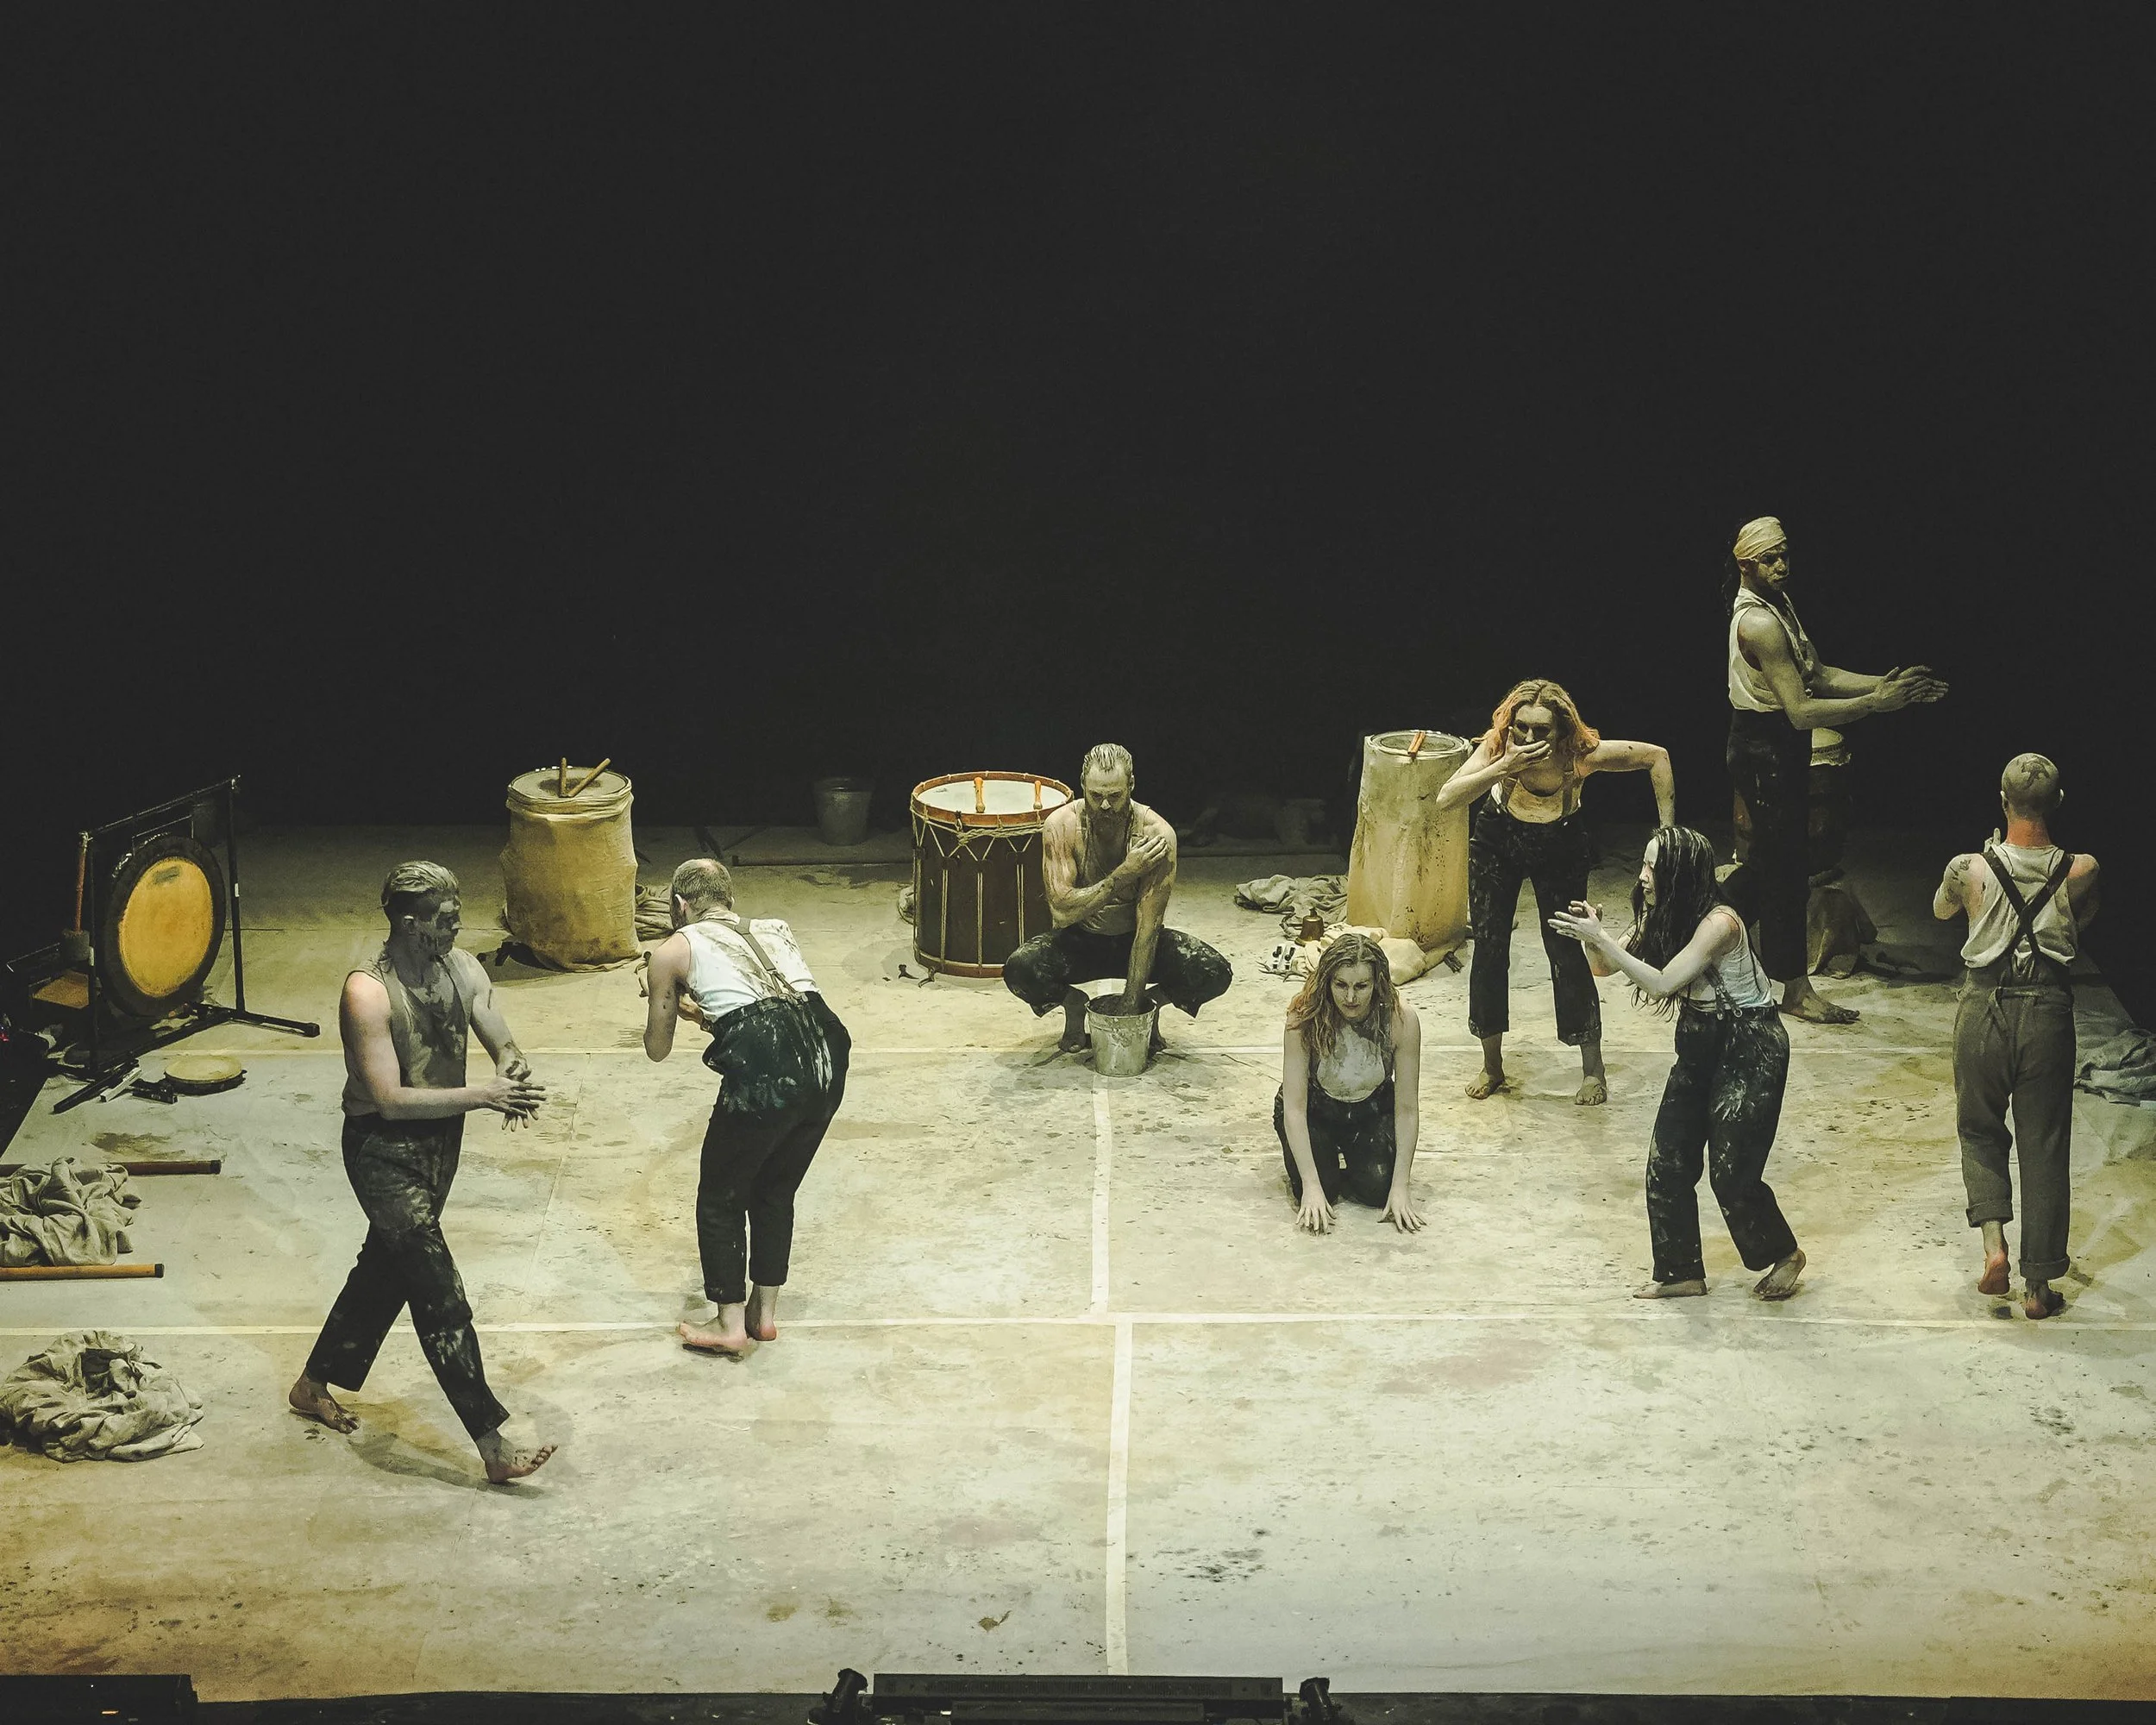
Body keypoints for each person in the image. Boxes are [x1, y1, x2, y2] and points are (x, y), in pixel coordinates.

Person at [289, 862, 555, 1484]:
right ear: (411, 924)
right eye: (447, 918)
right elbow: (388, 1100)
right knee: (438, 1290)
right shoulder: (368, 992)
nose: (459, 926)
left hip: (440, 1141)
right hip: (383, 1150)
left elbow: (497, 1033)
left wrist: (510, 1064)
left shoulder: (461, 968)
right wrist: (484, 1095)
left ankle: (311, 1384)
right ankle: (492, 1444)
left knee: (385, 1271)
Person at [1548, 827, 1806, 1301]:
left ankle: (1785, 1254)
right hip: (1699, 1040)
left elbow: (1663, 983)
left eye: (1654, 866)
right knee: (1666, 1160)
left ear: (1681, 873)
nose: (1643, 876)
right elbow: (1603, 968)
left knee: (1731, 1172)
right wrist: (1594, 939)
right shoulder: (1662, 912)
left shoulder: (1720, 923)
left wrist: (1602, 938)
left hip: (1749, 1044)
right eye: (1645, 864)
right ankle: (1680, 1271)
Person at [1722, 516, 1948, 1024]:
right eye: (1770, 559)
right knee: (1783, 874)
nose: (1782, 565)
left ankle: (1685, 928)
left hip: (1778, 746)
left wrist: (1885, 686)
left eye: (1785, 554)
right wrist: (1875, 705)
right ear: (1745, 566)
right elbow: (1802, 710)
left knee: (1774, 866)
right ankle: (1794, 990)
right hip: (1764, 748)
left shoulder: (1779, 605)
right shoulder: (1758, 623)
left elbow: (1819, 674)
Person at [642, 858, 850, 1356]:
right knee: (776, 1188)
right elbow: (774, 1011)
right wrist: (705, 1016)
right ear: (729, 899)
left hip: (767, 1061)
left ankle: (730, 1325)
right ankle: (764, 1315)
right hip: (828, 1050)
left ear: (680, 905)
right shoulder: (775, 928)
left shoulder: (672, 949)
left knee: (722, 1193)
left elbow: (657, 1048)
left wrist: (660, 993)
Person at [1437, 678, 1675, 1106]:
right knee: (1490, 948)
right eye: (1521, 727)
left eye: (1541, 730)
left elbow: (1656, 757)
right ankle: (1492, 1065)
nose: (1528, 738)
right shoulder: (1498, 747)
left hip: (1560, 843)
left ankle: (1593, 1069)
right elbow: (1446, 797)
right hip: (1497, 840)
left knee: (1567, 949)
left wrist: (1667, 834)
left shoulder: (1580, 755)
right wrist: (1502, 767)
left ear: (1561, 731)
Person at [1933, 755, 2100, 1320]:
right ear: (2058, 802)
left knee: (1980, 1128)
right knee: (2044, 1143)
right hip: (2047, 1009)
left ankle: (1993, 1246)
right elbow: (2081, 923)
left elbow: (1941, 910)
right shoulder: (2082, 869)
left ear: (2003, 802)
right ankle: (2038, 1287)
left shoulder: (1969, 867)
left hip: (1984, 1007)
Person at [1002, 743, 1233, 1052]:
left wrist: (1133, 1005)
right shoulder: (1061, 825)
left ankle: (1152, 1005)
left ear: (1131, 785)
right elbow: (1062, 912)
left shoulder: (1156, 834)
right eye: (1096, 796)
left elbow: (1148, 930)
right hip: (1081, 941)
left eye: (1115, 796)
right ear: (1082, 785)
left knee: (1213, 971)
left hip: (1134, 940)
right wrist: (1124, 874)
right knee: (1019, 969)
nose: (1105, 806)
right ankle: (1073, 1004)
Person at [1276, 933, 1424, 1234]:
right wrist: (1311, 1185)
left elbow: (1407, 1109)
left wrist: (1401, 1187)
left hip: (1370, 1107)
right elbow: (1294, 1108)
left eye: (1361, 986)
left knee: (1378, 1189)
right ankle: (1325, 1161)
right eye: (1341, 985)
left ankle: (1353, 1158)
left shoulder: (1401, 1020)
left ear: (1377, 983)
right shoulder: (1303, 1018)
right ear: (1327, 982)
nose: (1351, 998)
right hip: (1316, 1109)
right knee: (1323, 1189)